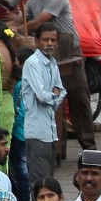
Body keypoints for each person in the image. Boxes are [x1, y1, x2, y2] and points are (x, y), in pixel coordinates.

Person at [25, 0, 94, 154]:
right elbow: (24, 19)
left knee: (78, 100)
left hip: (68, 51)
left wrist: (18, 29)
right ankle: (58, 148)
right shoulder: (32, 0)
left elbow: (37, 22)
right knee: (53, 100)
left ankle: (89, 146)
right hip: (47, 55)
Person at [20, 21, 67, 191]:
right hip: (37, 132)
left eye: (53, 40)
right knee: (40, 185)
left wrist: (52, 95)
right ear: (37, 41)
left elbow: (62, 91)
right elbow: (42, 95)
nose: (49, 44)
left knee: (48, 182)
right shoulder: (33, 63)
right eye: (45, 40)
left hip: (50, 131)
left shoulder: (52, 63)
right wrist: (53, 94)